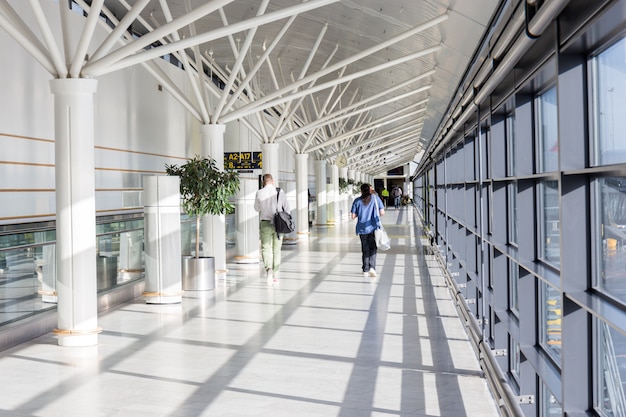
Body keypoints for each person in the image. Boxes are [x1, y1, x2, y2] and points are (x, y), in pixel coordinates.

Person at [254, 173, 289, 284]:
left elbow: (256, 208)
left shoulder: (259, 192)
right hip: (278, 224)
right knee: (276, 250)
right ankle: (275, 276)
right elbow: (287, 208)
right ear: (272, 181)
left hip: (265, 223)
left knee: (265, 248)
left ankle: (268, 268)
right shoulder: (280, 191)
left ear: (263, 182)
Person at [351, 183, 385, 278]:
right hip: (373, 227)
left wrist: (361, 213)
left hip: (362, 228)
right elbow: (382, 212)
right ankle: (372, 268)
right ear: (369, 190)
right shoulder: (375, 199)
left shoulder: (357, 201)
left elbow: (353, 216)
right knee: (373, 247)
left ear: (361, 191)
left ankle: (365, 269)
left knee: (365, 248)